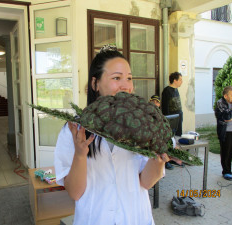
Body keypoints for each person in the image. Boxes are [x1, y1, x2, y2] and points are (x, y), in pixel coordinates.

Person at [54, 46, 169, 225]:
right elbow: (75, 193)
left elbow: (145, 183)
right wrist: (79, 154)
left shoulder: (142, 127)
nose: (126, 85)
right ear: (95, 84)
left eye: (129, 78)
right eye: (116, 78)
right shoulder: (75, 130)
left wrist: (158, 158)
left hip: (136, 218)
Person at [215, 86, 232, 181]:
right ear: (225, 96)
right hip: (227, 131)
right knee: (227, 153)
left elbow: (229, 118)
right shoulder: (220, 103)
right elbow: (226, 117)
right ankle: (227, 172)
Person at [161, 72, 183, 136]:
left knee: (179, 134)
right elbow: (165, 107)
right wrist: (167, 120)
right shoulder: (167, 91)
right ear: (175, 80)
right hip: (172, 118)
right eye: (180, 80)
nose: (182, 81)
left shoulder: (176, 90)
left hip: (179, 116)